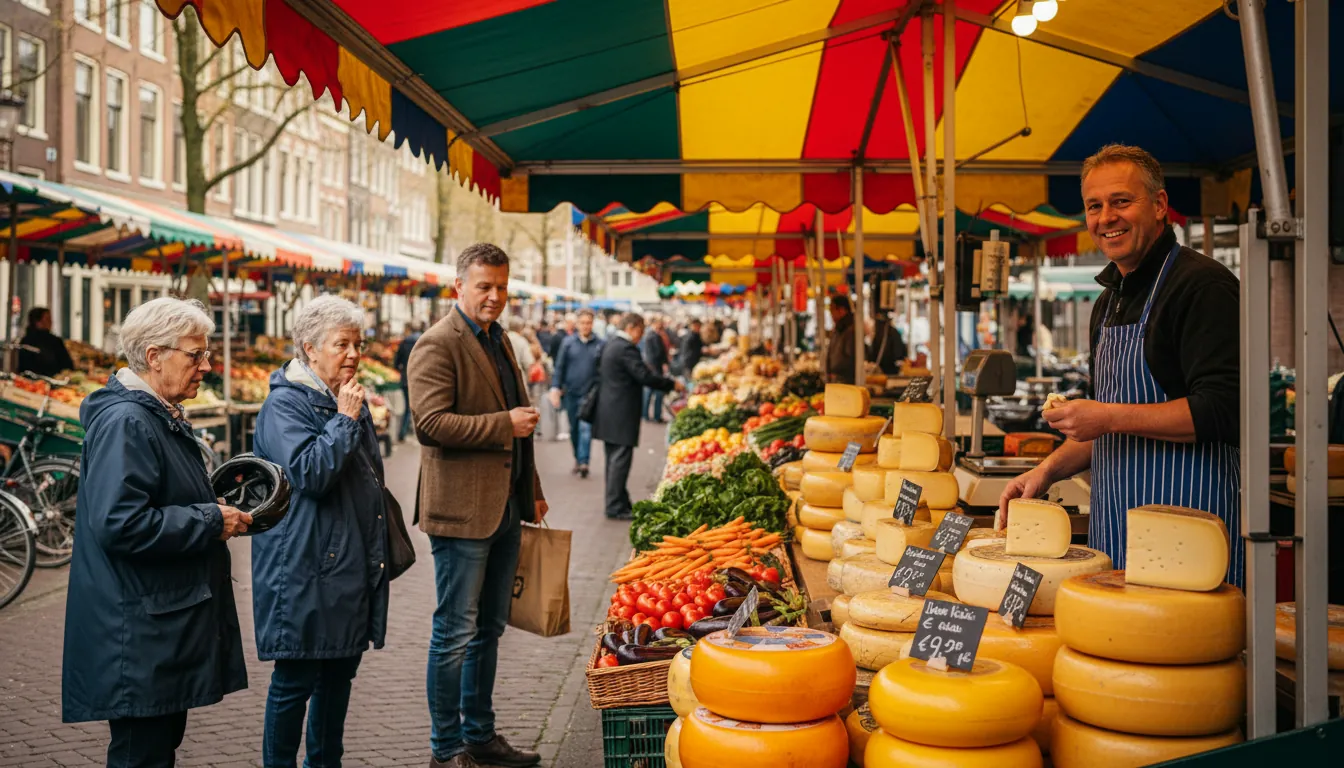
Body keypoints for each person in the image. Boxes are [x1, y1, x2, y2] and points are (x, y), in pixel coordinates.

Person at [999, 144, 1243, 587]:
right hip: (1116, 532)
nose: (1106, 218)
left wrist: (1106, 415)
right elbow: (1105, 427)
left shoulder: (1201, 286)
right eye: (1094, 206)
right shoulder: (1109, 301)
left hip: (1188, 540)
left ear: (1160, 206)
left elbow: (1223, 410)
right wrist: (1044, 472)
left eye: (1121, 202)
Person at [62, 297, 250, 766]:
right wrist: (210, 520)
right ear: (154, 356)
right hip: (140, 633)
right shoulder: (129, 421)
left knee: (155, 748)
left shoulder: (152, 414)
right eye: (196, 355)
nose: (207, 365)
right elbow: (121, 523)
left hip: (157, 626)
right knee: (140, 753)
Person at [407, 243, 546, 768]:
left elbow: (520, 416)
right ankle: (446, 751)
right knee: (454, 633)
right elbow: (430, 425)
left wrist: (529, 484)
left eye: (502, 287)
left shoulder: (499, 339)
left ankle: (481, 736)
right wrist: (502, 425)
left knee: (489, 628)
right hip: (462, 512)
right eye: (484, 286)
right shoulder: (437, 344)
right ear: (458, 286)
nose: (494, 296)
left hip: (506, 505)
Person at [251, 295, 389, 768]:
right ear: (310, 349)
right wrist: (347, 419)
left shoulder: (339, 397)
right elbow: (310, 474)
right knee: (294, 683)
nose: (353, 354)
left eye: (358, 344)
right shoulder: (283, 406)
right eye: (341, 344)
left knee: (338, 678)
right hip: (304, 567)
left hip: (346, 562)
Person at [591, 313, 682, 519]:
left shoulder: (612, 344)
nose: (641, 336)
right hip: (620, 412)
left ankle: (620, 501)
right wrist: (670, 383)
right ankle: (615, 506)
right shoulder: (624, 348)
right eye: (640, 331)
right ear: (632, 327)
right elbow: (643, 375)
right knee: (620, 460)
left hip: (609, 411)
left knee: (614, 460)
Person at [549, 309, 603, 478]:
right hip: (571, 392)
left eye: (588, 323)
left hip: (590, 394)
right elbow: (560, 367)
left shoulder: (600, 344)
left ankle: (584, 462)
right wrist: (555, 388)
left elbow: (604, 371)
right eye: (583, 323)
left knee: (586, 428)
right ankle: (577, 459)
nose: (586, 326)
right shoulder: (568, 343)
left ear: (592, 324)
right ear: (577, 324)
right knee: (574, 429)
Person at [17, 307, 75, 377]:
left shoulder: (24, 340)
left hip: (30, 382)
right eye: (48, 319)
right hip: (49, 381)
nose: (51, 322)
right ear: (37, 322)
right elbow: (67, 365)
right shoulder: (53, 341)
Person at [394, 321, 424, 442]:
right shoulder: (423, 341)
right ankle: (418, 431)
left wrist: (402, 370)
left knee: (407, 407)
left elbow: (396, 363)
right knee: (420, 406)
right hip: (420, 379)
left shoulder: (404, 343)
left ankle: (403, 431)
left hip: (406, 379)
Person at [640, 314, 671, 423]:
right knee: (656, 392)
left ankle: (646, 414)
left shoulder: (650, 335)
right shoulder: (653, 336)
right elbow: (658, 353)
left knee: (650, 392)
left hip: (652, 366)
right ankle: (655, 415)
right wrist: (664, 363)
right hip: (655, 367)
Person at [826, 294, 856, 384]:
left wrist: (836, 373)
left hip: (845, 383)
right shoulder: (838, 329)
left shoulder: (851, 331)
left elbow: (851, 360)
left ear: (842, 310)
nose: (831, 313)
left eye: (832, 309)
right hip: (837, 380)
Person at [674, 318, 704, 385]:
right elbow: (688, 352)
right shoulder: (690, 337)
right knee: (690, 383)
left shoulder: (694, 335)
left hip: (690, 362)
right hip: (689, 363)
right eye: (697, 326)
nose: (699, 328)